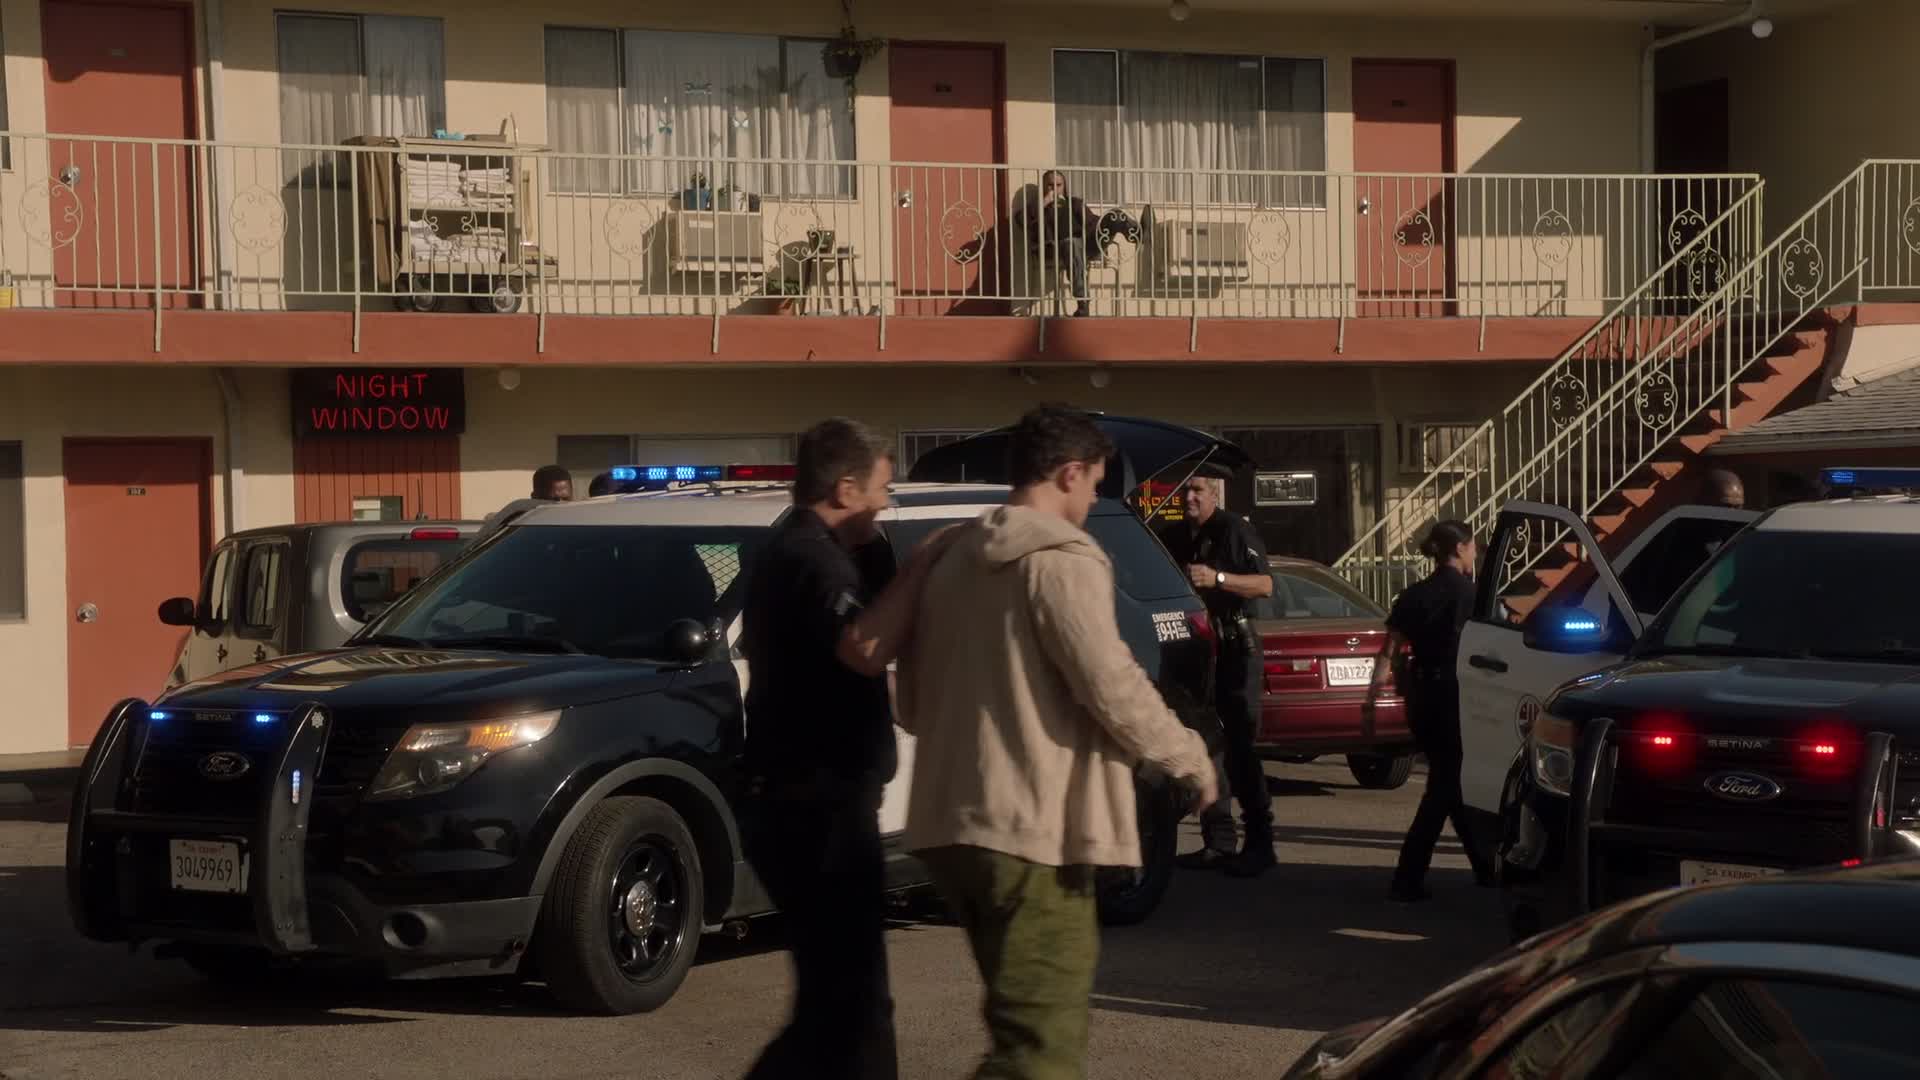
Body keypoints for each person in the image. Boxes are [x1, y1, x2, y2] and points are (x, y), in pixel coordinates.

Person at [896, 405, 1218, 1079]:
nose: (1093, 501)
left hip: (950, 827)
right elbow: (1111, 682)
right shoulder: (1061, 561)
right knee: (1042, 1050)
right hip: (1033, 832)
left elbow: (914, 704)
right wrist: (1188, 756)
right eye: (1094, 483)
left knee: (1018, 1032)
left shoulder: (952, 557)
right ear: (1070, 473)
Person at [739, 418, 956, 1080]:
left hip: (812, 803)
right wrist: (922, 565)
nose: (886, 503)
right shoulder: (812, 558)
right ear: (846, 487)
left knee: (835, 1008)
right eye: (882, 489)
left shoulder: (804, 548)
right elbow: (862, 650)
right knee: (852, 1008)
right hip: (817, 810)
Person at [1158, 474, 1277, 879]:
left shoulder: (1233, 529)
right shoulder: (1175, 535)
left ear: (1214, 495)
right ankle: (1219, 842)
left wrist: (1218, 579)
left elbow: (1265, 584)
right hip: (1195, 650)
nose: (1188, 497)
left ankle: (1260, 843)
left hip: (1236, 649)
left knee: (1241, 746)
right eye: (1185, 490)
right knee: (1205, 744)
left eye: (1197, 490)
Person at [1375, 520, 1498, 903]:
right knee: (1443, 786)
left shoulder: (1414, 595)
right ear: (1460, 548)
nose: (1475, 552)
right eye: (1473, 545)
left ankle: (1485, 867)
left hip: (1422, 697)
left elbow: (1389, 652)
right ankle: (1407, 876)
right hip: (1456, 697)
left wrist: (1371, 701)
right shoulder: (1473, 596)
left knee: (1451, 780)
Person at [1016, 170, 1100, 317]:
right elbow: (1021, 220)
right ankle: (1083, 300)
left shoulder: (1074, 203)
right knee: (1071, 243)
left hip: (1078, 248)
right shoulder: (1037, 207)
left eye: (1059, 185)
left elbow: (1093, 222)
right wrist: (1044, 202)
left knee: (1113, 220)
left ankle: (1130, 230)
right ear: (1044, 187)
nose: (1055, 189)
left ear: (1064, 186)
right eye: (1050, 185)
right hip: (1051, 248)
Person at [474, 464, 572, 541]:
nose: (561, 505)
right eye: (553, 500)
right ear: (534, 498)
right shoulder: (516, 531)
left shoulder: (577, 526)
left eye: (566, 499)